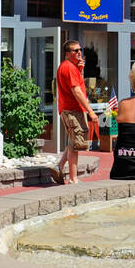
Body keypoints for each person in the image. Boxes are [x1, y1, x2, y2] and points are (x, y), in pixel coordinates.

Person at [53, 39, 97, 184]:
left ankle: (59, 167)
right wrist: (91, 111)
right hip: (72, 110)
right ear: (67, 54)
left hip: (71, 109)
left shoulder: (71, 67)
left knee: (74, 141)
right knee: (75, 145)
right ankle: (73, 178)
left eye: (80, 50)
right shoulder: (69, 68)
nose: (79, 52)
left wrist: (80, 70)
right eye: (75, 50)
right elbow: (77, 91)